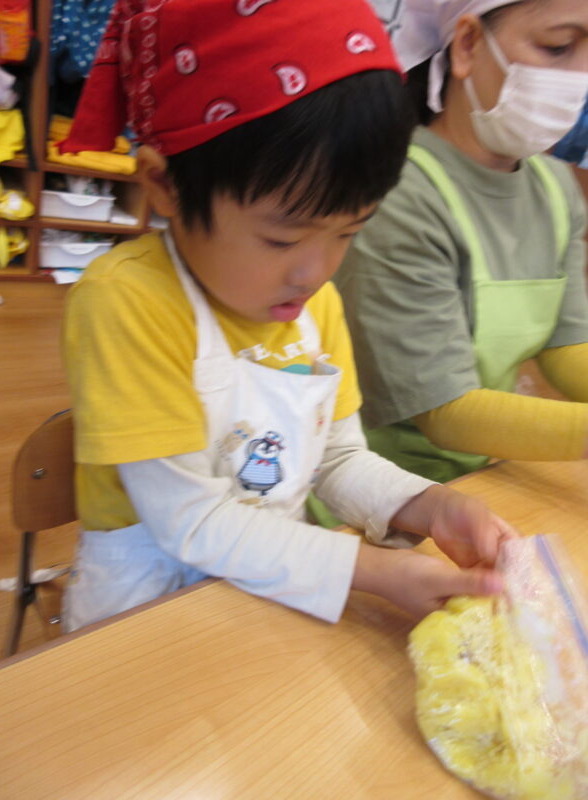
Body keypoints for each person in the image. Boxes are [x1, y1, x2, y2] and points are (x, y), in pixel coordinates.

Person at [58, 0, 515, 633]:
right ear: (165, 187)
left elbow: (337, 459)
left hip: (270, 597)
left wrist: (428, 505)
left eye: (348, 232)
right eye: (282, 238)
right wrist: (374, 571)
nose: (315, 270)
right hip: (142, 618)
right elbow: (192, 521)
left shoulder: (313, 305)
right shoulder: (128, 301)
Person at [336, 0, 588, 483]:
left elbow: (567, 345)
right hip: (378, 494)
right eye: (558, 47)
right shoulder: (401, 193)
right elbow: (445, 412)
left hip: (480, 478)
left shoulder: (556, 188)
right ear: (468, 44)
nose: (579, 78)